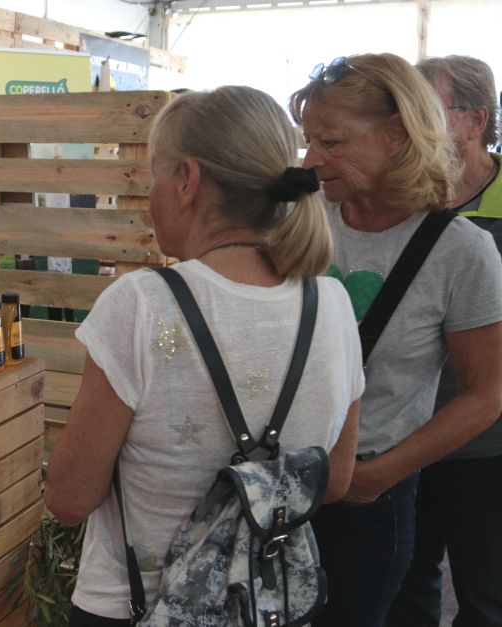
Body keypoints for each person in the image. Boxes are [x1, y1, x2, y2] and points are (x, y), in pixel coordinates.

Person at [45, 85, 363, 626]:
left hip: (135, 607)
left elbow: (69, 500)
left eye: (155, 175)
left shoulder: (141, 304)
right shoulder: (330, 302)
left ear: (187, 180)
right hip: (266, 608)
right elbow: (335, 480)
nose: (151, 194)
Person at [290, 53, 502, 627]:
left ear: (397, 135)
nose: (311, 160)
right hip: (279, 480)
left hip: (367, 500)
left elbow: (484, 395)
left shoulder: (462, 252)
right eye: (309, 141)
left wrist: (377, 478)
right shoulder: (300, 216)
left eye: (331, 142)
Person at [387, 55, 502, 627]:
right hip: (400, 430)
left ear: (476, 120)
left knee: (486, 593)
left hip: (487, 438)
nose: (408, 125)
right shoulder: (399, 200)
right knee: (405, 585)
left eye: (426, 110)